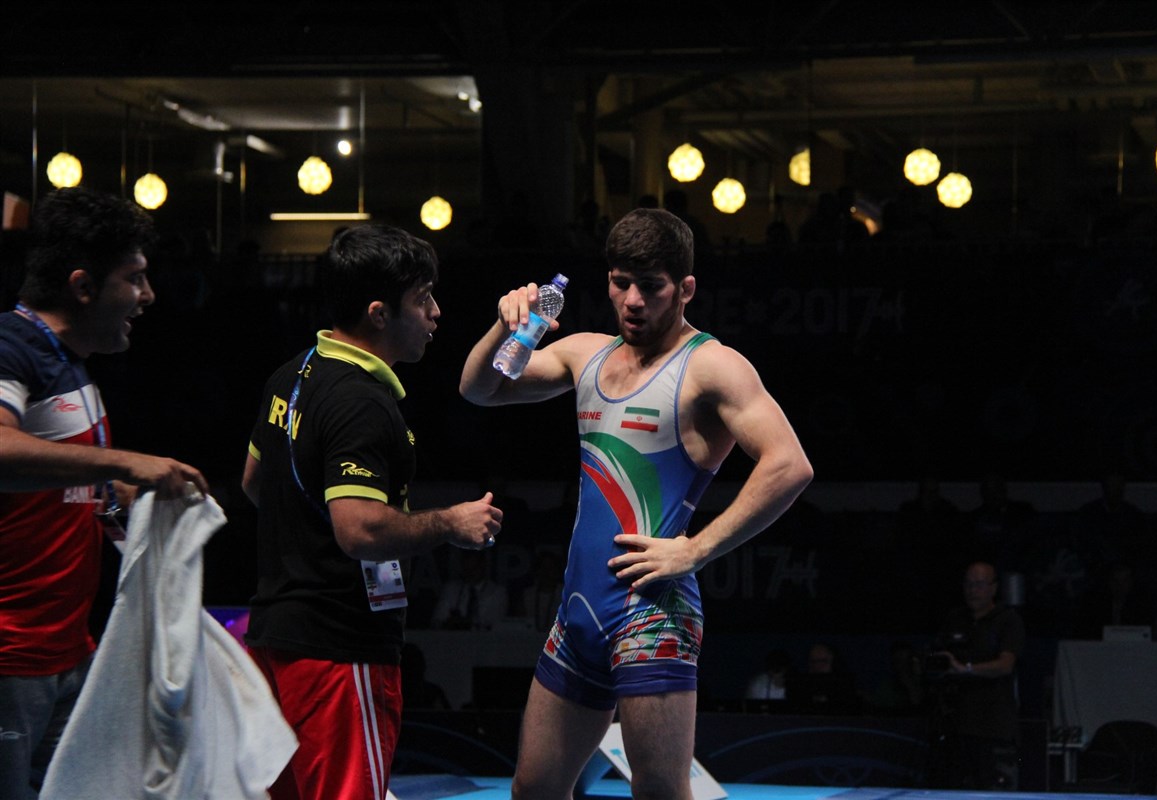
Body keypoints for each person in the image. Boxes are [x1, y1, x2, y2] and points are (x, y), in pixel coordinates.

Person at [459, 207, 814, 799]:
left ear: (686, 289)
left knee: (658, 792)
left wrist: (695, 550)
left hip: (652, 614)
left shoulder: (712, 367)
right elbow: (481, 388)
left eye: (651, 287)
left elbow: (790, 465)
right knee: (533, 789)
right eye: (621, 283)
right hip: (578, 612)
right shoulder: (585, 354)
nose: (632, 301)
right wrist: (505, 326)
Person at [241, 224, 503, 800]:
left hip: (275, 642)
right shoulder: (360, 401)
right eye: (423, 298)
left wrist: (307, 542)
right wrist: (450, 523)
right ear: (379, 313)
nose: (435, 312)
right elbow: (359, 530)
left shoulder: (292, 374)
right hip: (339, 650)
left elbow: (255, 482)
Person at [0, 187, 209, 797]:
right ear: (83, 286)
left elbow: (55, 486)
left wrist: (121, 494)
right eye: (134, 278)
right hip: (11, 659)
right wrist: (126, 461)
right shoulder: (11, 347)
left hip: (68, 652)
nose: (148, 296)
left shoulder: (70, 364)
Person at [928, 561, 1025, 790]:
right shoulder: (955, 618)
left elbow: (1006, 665)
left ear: (993, 587)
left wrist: (967, 669)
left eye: (979, 584)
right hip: (956, 726)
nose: (973, 590)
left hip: (994, 728)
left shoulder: (1007, 620)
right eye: (968, 584)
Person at [431, 549, 509, 630]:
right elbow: (437, 620)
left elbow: (495, 624)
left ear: (483, 567)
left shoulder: (497, 592)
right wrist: (448, 623)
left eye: (474, 569)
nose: (470, 573)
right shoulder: (451, 589)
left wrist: (466, 625)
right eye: (467, 569)